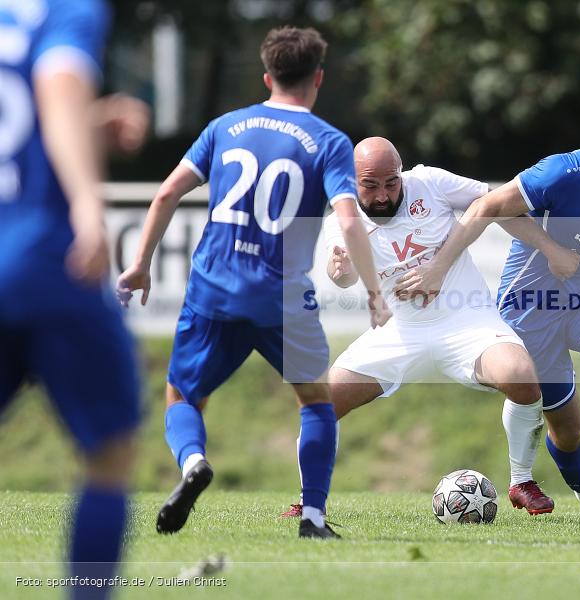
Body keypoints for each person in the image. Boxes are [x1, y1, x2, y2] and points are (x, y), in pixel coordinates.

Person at [117, 26, 390, 540]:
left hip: (213, 289)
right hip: (281, 297)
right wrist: (374, 292)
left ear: (267, 76)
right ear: (318, 78)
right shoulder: (329, 142)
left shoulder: (224, 127)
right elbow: (350, 220)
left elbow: (167, 194)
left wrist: (140, 263)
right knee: (316, 403)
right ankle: (312, 519)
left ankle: (194, 462)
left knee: (181, 396)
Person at [281, 137, 580, 519]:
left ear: (401, 172)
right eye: (370, 185)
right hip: (400, 331)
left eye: (391, 182)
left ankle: (521, 480)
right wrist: (340, 271)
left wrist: (550, 249)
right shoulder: (342, 216)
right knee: (319, 403)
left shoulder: (430, 183)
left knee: (521, 375)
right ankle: (309, 502)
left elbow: (497, 207)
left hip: (465, 321)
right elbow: (343, 274)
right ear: (352, 181)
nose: (383, 194)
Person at [394, 100, 580, 521]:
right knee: (569, 432)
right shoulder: (561, 172)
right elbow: (485, 206)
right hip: (530, 306)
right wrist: (438, 268)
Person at [0, 0, 149, 597]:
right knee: (111, 450)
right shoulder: (64, 8)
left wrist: (85, 126)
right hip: (46, 260)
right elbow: (58, 83)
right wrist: (89, 201)